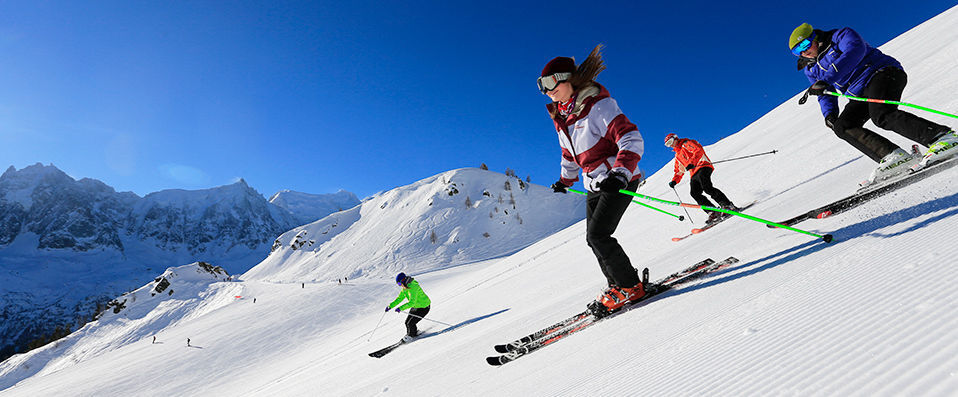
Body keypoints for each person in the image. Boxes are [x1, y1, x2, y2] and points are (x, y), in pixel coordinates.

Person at [541, 45, 645, 312]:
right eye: (542, 85)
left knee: (599, 235)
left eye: (552, 81)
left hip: (618, 179)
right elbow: (569, 154)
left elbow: (631, 139)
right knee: (593, 237)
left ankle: (630, 287)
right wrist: (565, 181)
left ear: (569, 78)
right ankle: (618, 286)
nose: (548, 89)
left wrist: (620, 174)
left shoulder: (599, 106)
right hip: (595, 184)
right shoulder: (562, 117)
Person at [789, 22, 956, 185]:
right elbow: (824, 91)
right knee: (842, 126)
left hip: (881, 73)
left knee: (882, 114)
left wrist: (827, 79)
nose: (804, 52)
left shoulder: (840, 36)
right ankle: (894, 157)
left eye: (805, 44)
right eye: (797, 51)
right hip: (858, 94)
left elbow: (855, 50)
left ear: (815, 37)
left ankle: (943, 138)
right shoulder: (810, 69)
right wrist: (829, 114)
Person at [665, 133, 738, 224]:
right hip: (694, 173)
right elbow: (679, 170)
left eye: (671, 142)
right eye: (668, 144)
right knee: (694, 193)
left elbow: (698, 150)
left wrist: (692, 162)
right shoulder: (678, 156)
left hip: (703, 165)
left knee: (707, 187)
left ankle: (727, 205)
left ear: (676, 138)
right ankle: (713, 211)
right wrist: (674, 180)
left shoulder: (686, 143)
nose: (671, 145)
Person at [386, 272, 431, 342]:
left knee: (410, 323)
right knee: (407, 322)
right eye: (398, 284)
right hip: (416, 306)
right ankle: (413, 333)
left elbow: (412, 302)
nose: (400, 285)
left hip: (424, 307)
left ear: (403, 280)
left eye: (399, 284)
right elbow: (399, 298)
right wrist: (390, 306)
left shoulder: (413, 287)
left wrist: (401, 308)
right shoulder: (405, 288)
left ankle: (411, 335)